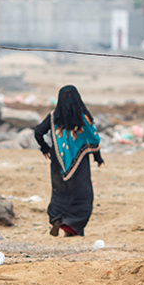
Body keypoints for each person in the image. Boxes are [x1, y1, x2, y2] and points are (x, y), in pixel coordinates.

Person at [34, 85, 104, 237]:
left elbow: (38, 132)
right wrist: (97, 157)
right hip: (80, 163)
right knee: (82, 196)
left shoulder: (53, 117)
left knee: (60, 194)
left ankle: (57, 218)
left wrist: (45, 148)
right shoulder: (83, 117)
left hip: (57, 162)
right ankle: (72, 227)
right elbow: (93, 137)